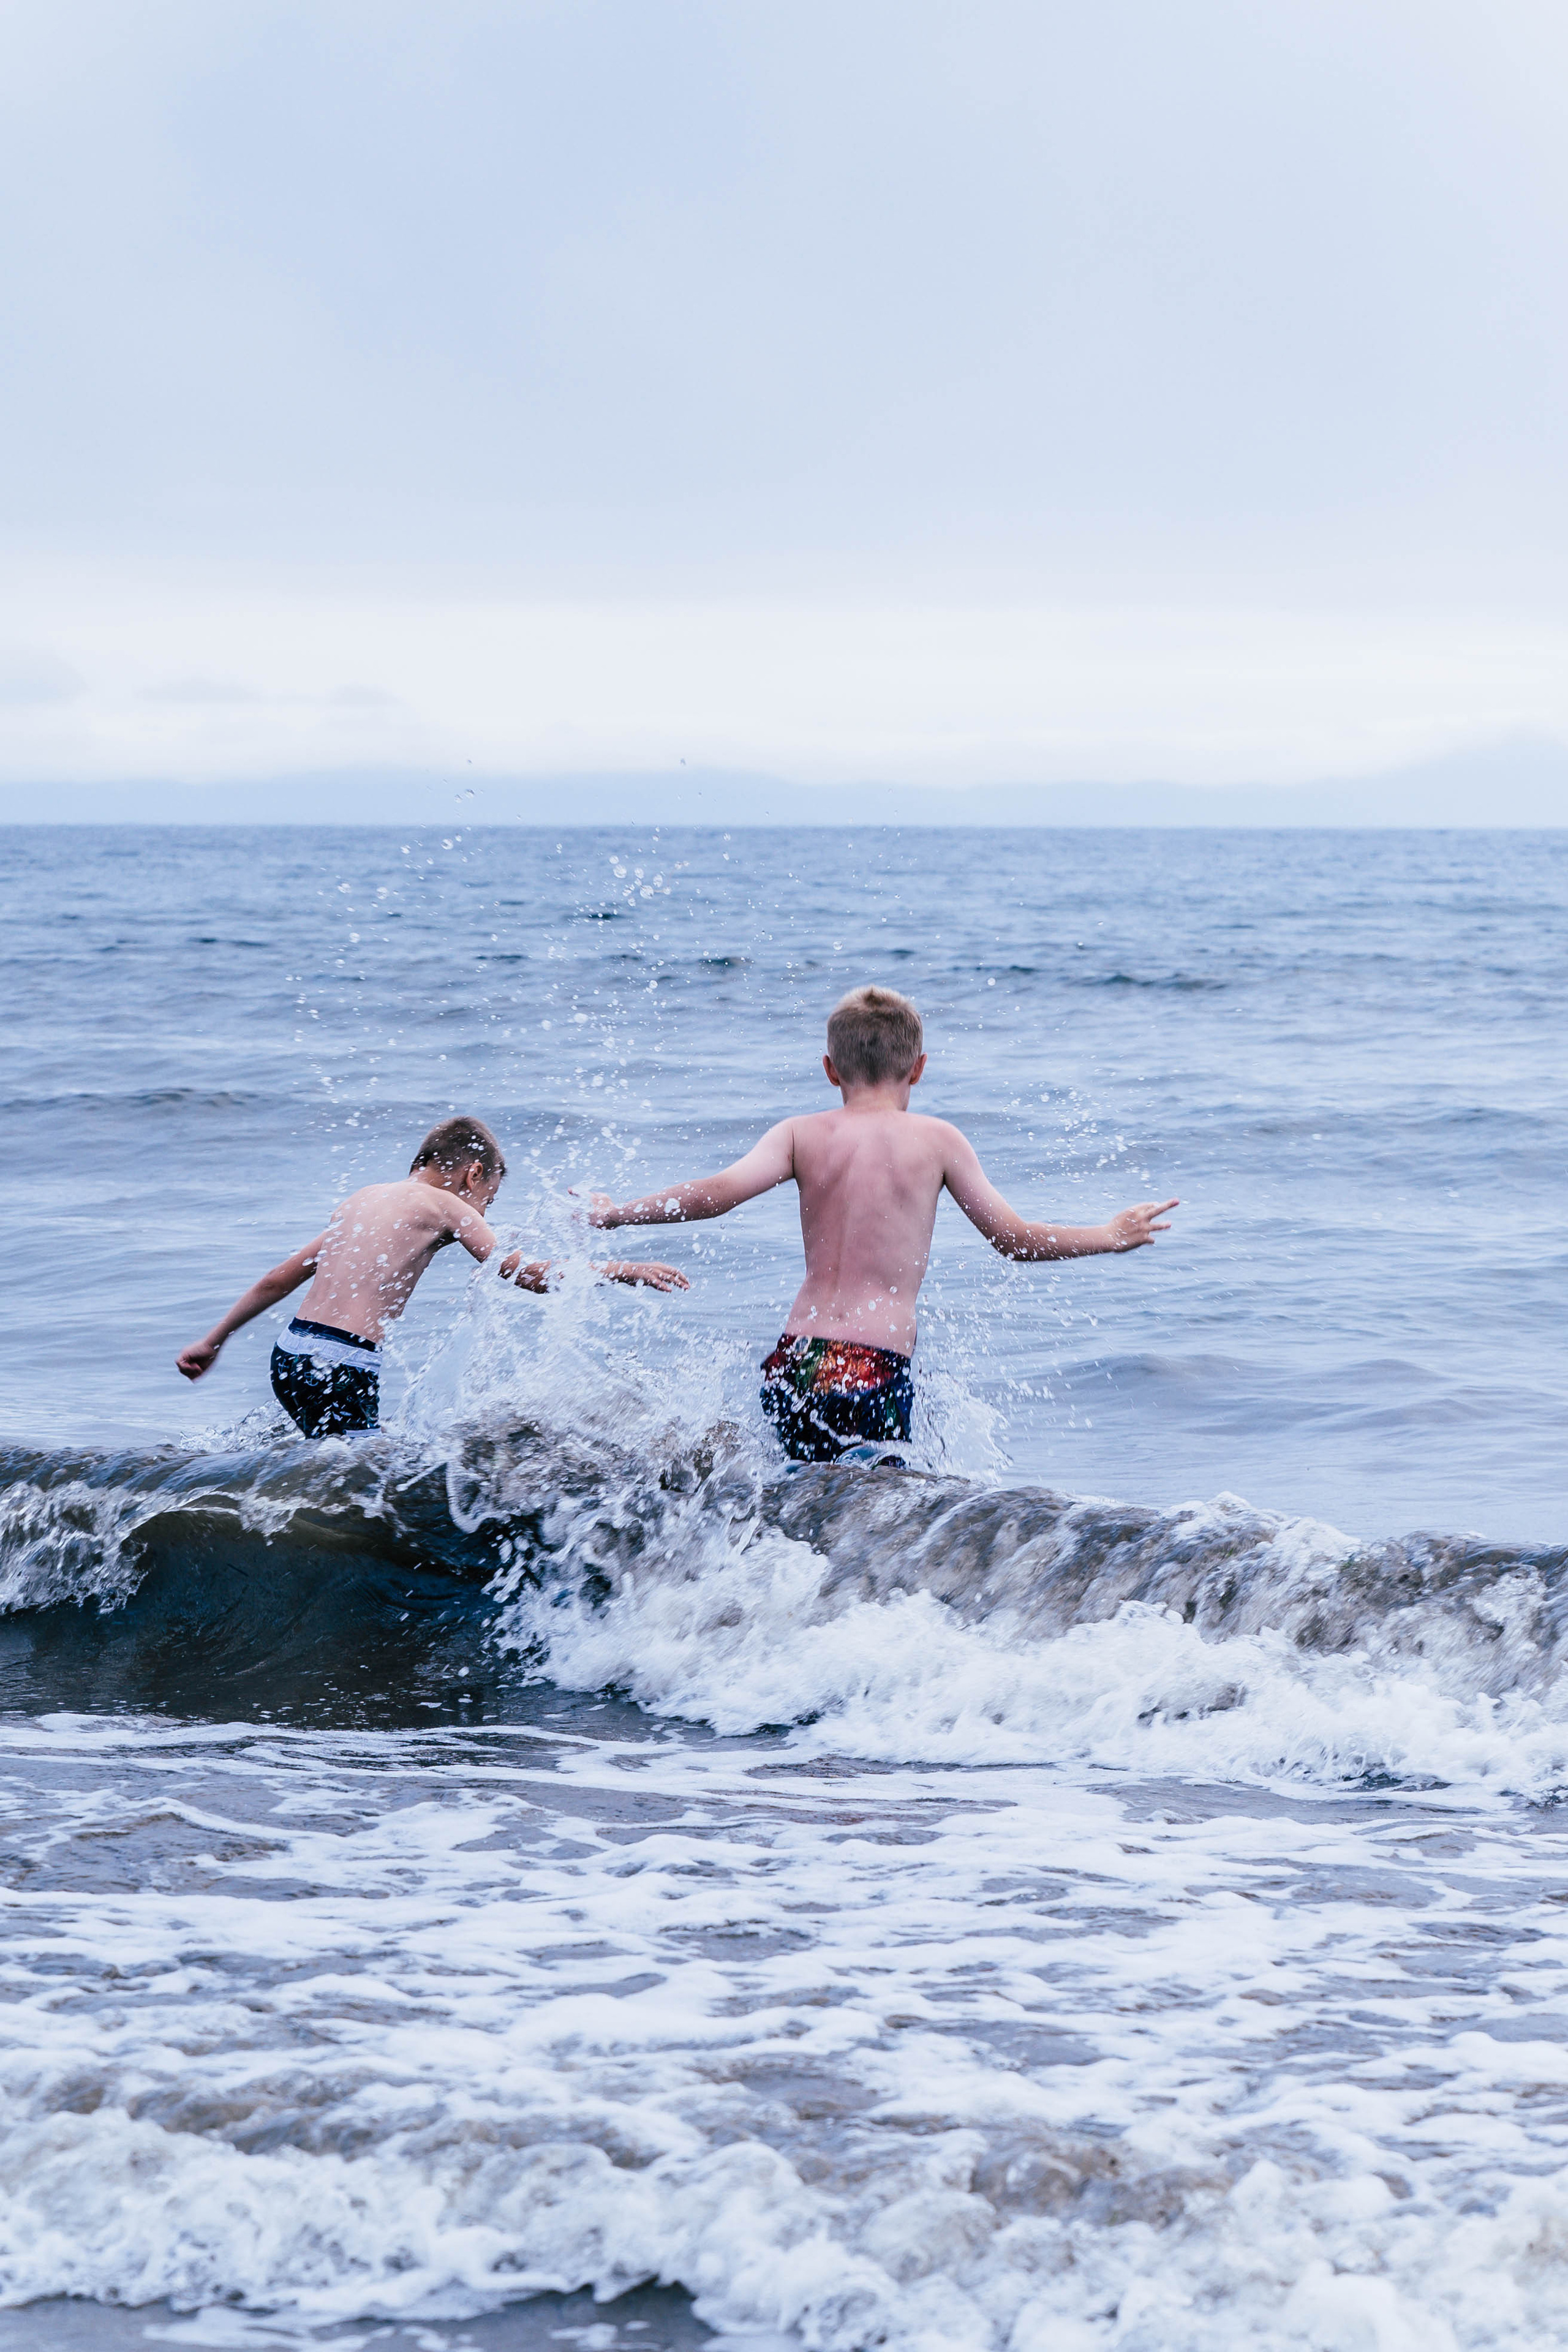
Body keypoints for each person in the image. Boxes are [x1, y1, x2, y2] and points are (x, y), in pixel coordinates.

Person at [589, 987, 1177, 1462]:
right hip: (872, 1364)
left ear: (829, 1069)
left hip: (797, 1359)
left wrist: (618, 1213)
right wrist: (1109, 1235)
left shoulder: (799, 1134)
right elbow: (1014, 1241)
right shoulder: (939, 1140)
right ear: (918, 1069)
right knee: (871, 1520)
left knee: (797, 1514)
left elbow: (716, 1194)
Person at [177, 1115, 688, 1438]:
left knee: (332, 1468)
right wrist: (621, 1270)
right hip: (342, 1360)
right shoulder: (446, 1204)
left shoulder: (363, 1200)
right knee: (359, 1489)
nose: (484, 1213)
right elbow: (522, 1274)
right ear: (473, 1175)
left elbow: (277, 1280)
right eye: (489, 1201)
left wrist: (213, 1340)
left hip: (291, 1354)